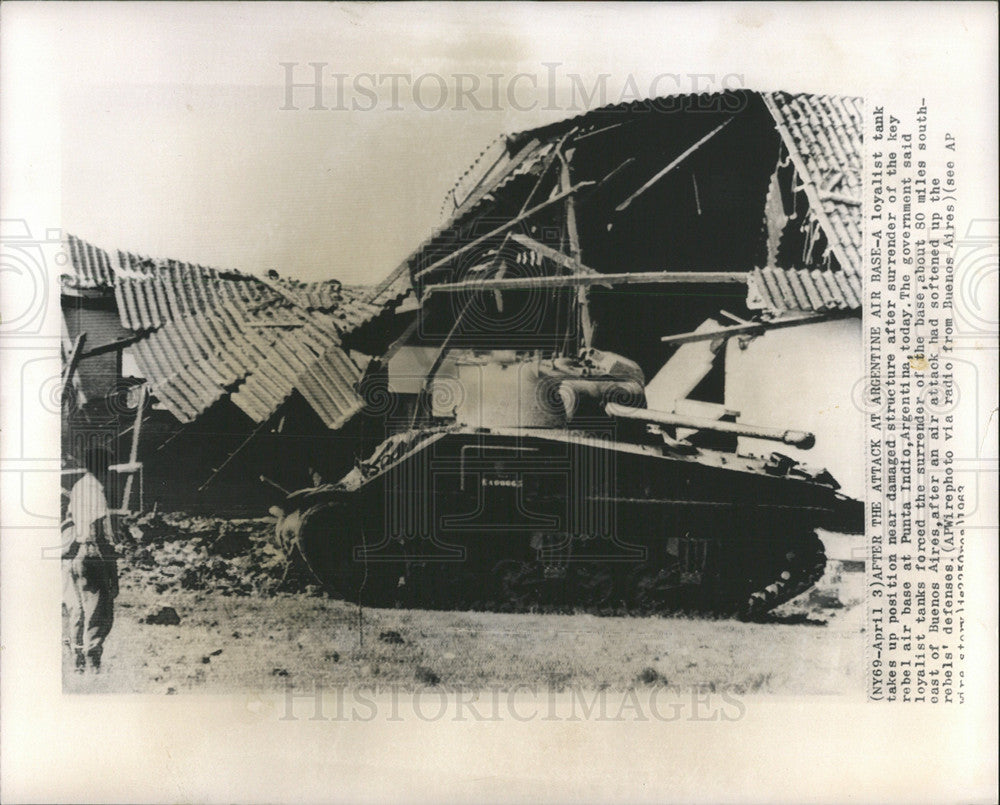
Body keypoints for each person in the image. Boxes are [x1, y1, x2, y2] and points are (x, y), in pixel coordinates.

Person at [64, 445, 119, 673]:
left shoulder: (77, 487)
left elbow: (70, 519)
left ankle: (77, 659)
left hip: (76, 553)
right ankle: (93, 662)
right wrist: (111, 568)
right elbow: (97, 532)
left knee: (79, 608)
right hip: (93, 553)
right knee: (99, 609)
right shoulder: (95, 491)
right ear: (102, 468)